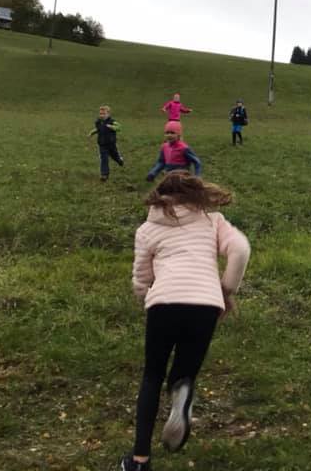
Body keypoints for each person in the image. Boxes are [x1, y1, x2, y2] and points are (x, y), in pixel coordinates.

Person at [120, 172, 251, 471]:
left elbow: (141, 278)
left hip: (164, 304)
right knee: (184, 374)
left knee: (152, 376)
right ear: (194, 195)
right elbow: (241, 249)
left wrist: (146, 299)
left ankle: (139, 460)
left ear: (159, 197)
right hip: (205, 304)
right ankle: (181, 393)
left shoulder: (147, 229)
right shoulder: (211, 220)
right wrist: (226, 290)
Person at [88, 104, 124, 182]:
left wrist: (112, 127)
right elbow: (98, 129)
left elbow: (119, 127)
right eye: (100, 113)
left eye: (104, 114)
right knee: (104, 159)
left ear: (108, 114)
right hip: (102, 144)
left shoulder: (112, 121)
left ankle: (120, 160)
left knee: (115, 156)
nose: (102, 115)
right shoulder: (98, 122)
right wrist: (92, 132)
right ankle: (104, 174)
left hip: (111, 144)